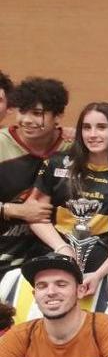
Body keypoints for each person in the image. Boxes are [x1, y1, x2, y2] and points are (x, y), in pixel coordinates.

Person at [29, 103, 108, 307]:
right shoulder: (57, 164)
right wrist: (61, 247)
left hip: (105, 264)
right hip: (53, 256)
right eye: (86, 127)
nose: (92, 134)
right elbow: (34, 214)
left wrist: (99, 274)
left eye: (101, 127)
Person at [0, 77, 70, 275]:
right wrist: (12, 210)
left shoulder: (72, 149)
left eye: (37, 113)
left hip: (49, 260)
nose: (27, 120)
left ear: (58, 116)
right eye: (22, 111)